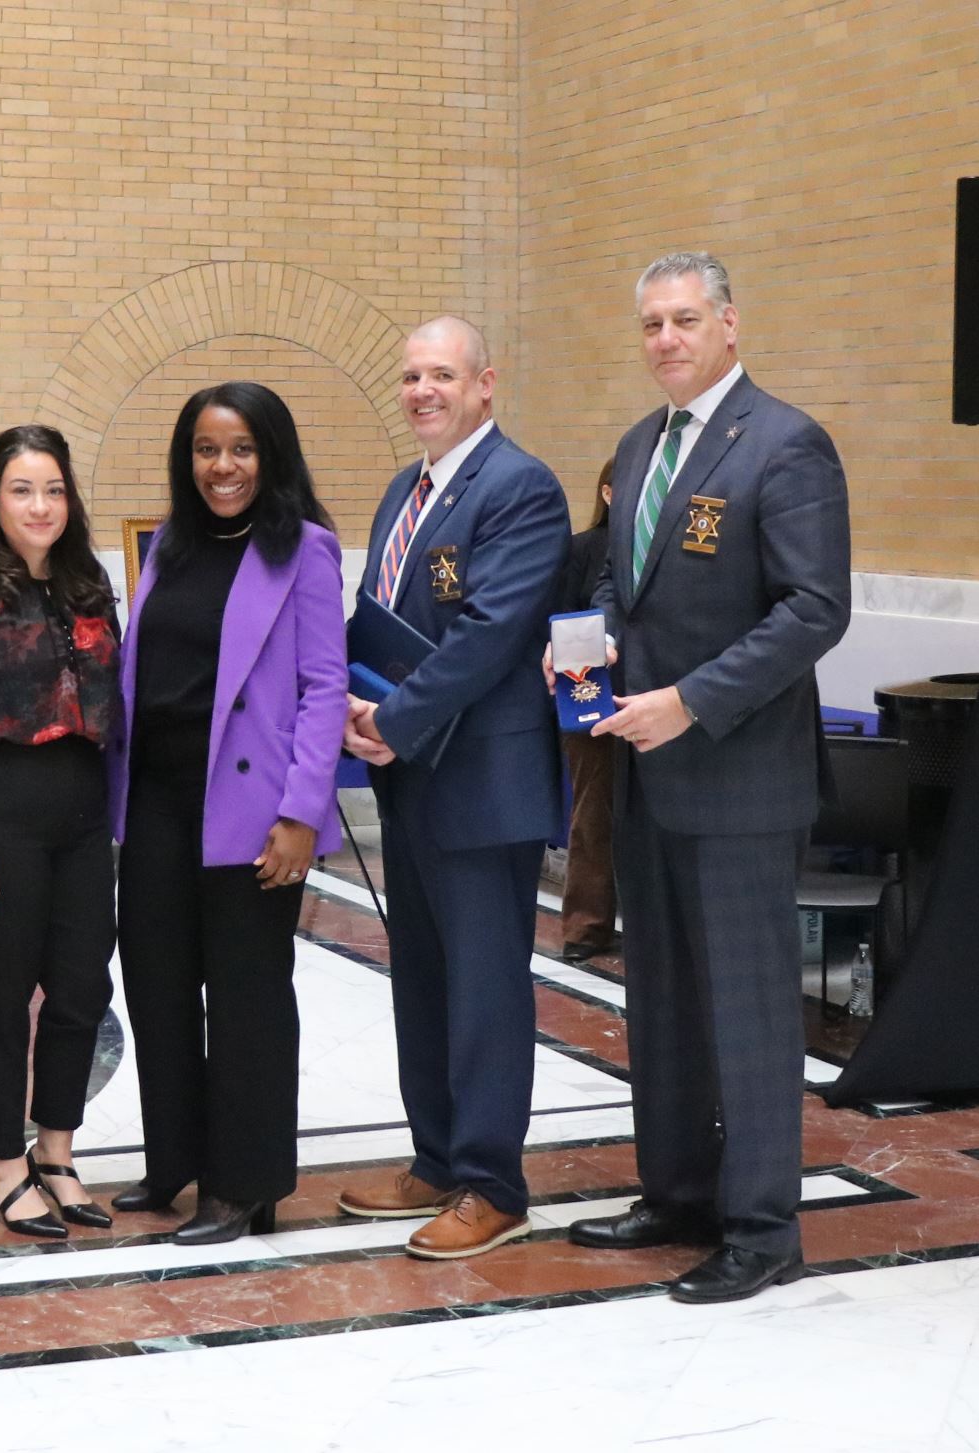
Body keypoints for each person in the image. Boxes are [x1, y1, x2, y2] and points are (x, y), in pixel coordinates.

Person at [566, 252, 851, 1303]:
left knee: (743, 1009)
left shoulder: (785, 444)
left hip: (736, 778)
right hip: (643, 773)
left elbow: (813, 609)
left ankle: (762, 1226)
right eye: (649, 324)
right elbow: (615, 577)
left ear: (729, 324)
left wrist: (687, 700)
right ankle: (677, 1190)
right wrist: (584, 640)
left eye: (684, 320)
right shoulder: (643, 442)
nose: (665, 340)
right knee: (666, 1004)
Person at [337, 316, 569, 1260]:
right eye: (409, 377)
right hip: (414, 782)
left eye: (441, 375)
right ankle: (434, 1157)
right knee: (422, 977)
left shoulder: (520, 487)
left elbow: (489, 632)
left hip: (482, 780)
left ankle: (491, 1182)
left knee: (482, 987)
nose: (422, 390)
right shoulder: (406, 488)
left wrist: (391, 722)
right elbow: (378, 612)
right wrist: (352, 699)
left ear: (485, 384)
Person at [107, 381, 347, 1246]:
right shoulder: (168, 545)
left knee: (245, 999)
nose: (222, 466)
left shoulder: (305, 551)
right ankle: (174, 1159)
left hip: (250, 807)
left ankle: (243, 1184)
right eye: (206, 449)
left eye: (241, 448)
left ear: (271, 454)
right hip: (155, 804)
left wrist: (301, 814)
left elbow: (325, 688)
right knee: (159, 989)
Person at [0, 425, 120, 1240]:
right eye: (20, 490)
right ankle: (0, 1161)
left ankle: (57, 1150)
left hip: (83, 810)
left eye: (51, 489)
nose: (39, 505)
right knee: (3, 997)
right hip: (0, 806)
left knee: (81, 989)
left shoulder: (89, 581)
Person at [559, 460, 619, 962]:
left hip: (654, 700)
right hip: (589, 700)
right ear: (607, 491)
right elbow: (561, 619)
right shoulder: (582, 548)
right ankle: (585, 928)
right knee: (592, 815)